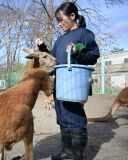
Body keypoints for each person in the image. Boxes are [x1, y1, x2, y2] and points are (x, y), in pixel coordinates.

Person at [36, 2, 100, 160]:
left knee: (74, 118)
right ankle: (67, 151)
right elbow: (54, 57)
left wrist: (77, 51)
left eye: (61, 19)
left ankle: (78, 154)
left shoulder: (84, 34)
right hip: (60, 82)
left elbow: (93, 56)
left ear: (72, 16)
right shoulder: (60, 40)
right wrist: (43, 47)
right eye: (57, 20)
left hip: (75, 83)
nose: (59, 23)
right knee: (62, 117)